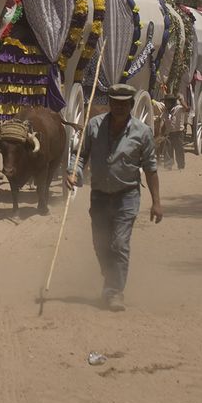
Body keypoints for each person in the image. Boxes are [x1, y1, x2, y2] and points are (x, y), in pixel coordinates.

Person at [64, 82, 162, 311]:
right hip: (99, 195)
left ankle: (115, 291)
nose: (119, 108)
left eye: (124, 104)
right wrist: (73, 173)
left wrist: (157, 203)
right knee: (101, 244)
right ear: (110, 104)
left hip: (127, 196)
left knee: (119, 244)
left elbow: (150, 169)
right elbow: (81, 156)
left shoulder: (143, 132)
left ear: (131, 105)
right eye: (115, 103)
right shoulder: (94, 126)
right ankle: (110, 279)